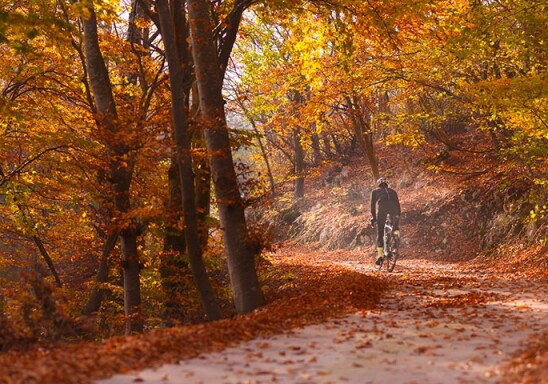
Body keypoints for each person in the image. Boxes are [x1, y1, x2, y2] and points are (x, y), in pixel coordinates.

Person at [370, 177, 401, 265]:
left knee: (380, 232)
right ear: (387, 185)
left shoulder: (375, 192)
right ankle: (396, 236)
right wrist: (398, 216)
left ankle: (380, 255)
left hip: (382, 208)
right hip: (394, 208)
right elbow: (398, 204)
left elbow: (372, 206)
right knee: (394, 226)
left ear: (378, 185)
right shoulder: (393, 191)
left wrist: (373, 218)